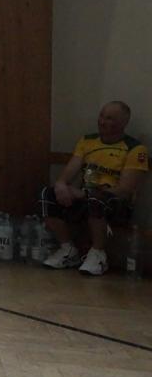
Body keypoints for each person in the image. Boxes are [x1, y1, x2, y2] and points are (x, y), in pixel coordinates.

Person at [39, 101, 148, 276]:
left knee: (96, 200)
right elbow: (68, 173)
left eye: (109, 118)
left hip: (114, 204)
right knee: (48, 194)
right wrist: (61, 185)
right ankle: (67, 249)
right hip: (86, 197)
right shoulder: (87, 141)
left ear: (123, 123)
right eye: (101, 116)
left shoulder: (135, 149)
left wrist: (84, 194)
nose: (102, 121)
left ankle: (98, 254)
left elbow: (125, 189)